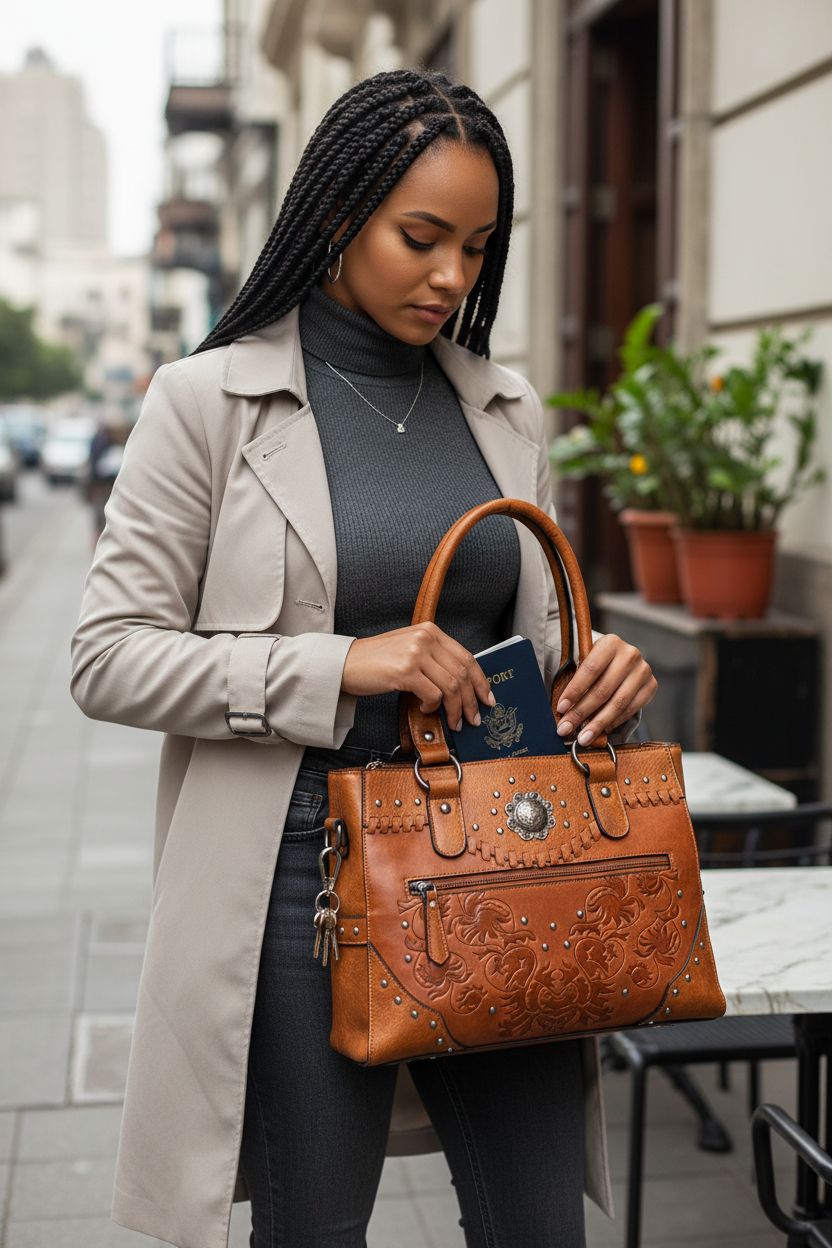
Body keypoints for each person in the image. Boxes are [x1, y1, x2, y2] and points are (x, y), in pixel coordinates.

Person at [70, 68, 657, 1248]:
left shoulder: (506, 411)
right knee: (314, 1225)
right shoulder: (207, 404)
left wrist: (600, 683)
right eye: (421, 237)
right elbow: (107, 656)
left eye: (479, 246)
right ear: (336, 215)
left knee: (539, 1223)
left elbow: (526, 655)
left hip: (503, 858)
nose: (452, 276)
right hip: (298, 879)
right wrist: (338, 664)